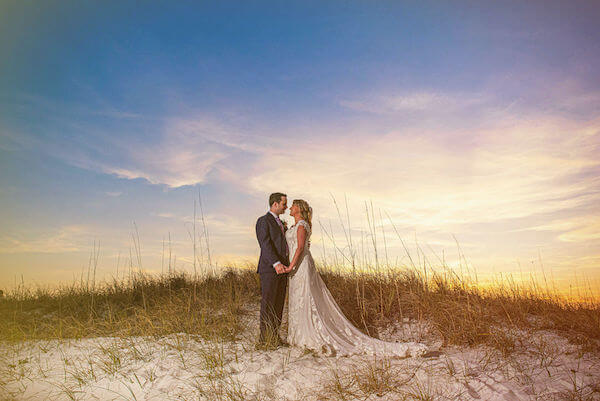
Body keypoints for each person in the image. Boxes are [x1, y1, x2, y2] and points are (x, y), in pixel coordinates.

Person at [282, 199, 429, 358]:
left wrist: (290, 266)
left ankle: (309, 336)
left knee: (306, 298)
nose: (290, 207)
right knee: (299, 299)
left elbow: (301, 247)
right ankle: (298, 335)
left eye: (293, 205)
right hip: (296, 266)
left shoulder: (302, 225)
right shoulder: (295, 226)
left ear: (299, 209)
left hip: (301, 266)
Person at [255, 192, 290, 349]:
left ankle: (274, 337)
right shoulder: (263, 221)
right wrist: (276, 263)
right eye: (284, 204)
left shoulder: (281, 223)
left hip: (283, 269)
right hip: (270, 269)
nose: (286, 207)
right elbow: (265, 243)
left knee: (278, 305)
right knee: (268, 304)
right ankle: (264, 341)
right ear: (275, 204)